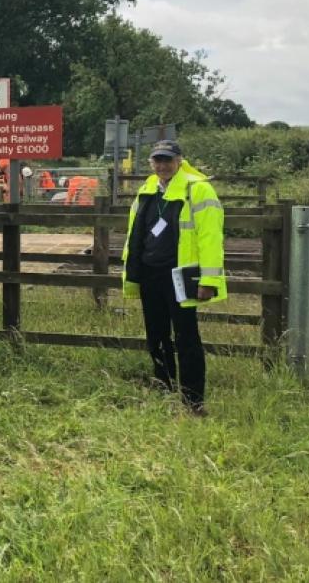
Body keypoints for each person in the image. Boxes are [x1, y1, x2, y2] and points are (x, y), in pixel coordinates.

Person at [122, 140, 226, 415]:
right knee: (156, 334)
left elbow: (211, 238)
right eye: (157, 160)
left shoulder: (198, 189)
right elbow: (136, 232)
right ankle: (163, 385)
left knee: (186, 336)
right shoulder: (147, 189)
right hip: (150, 273)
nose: (162, 165)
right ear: (151, 163)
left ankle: (193, 399)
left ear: (180, 160)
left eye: (168, 160)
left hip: (181, 275)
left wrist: (209, 280)